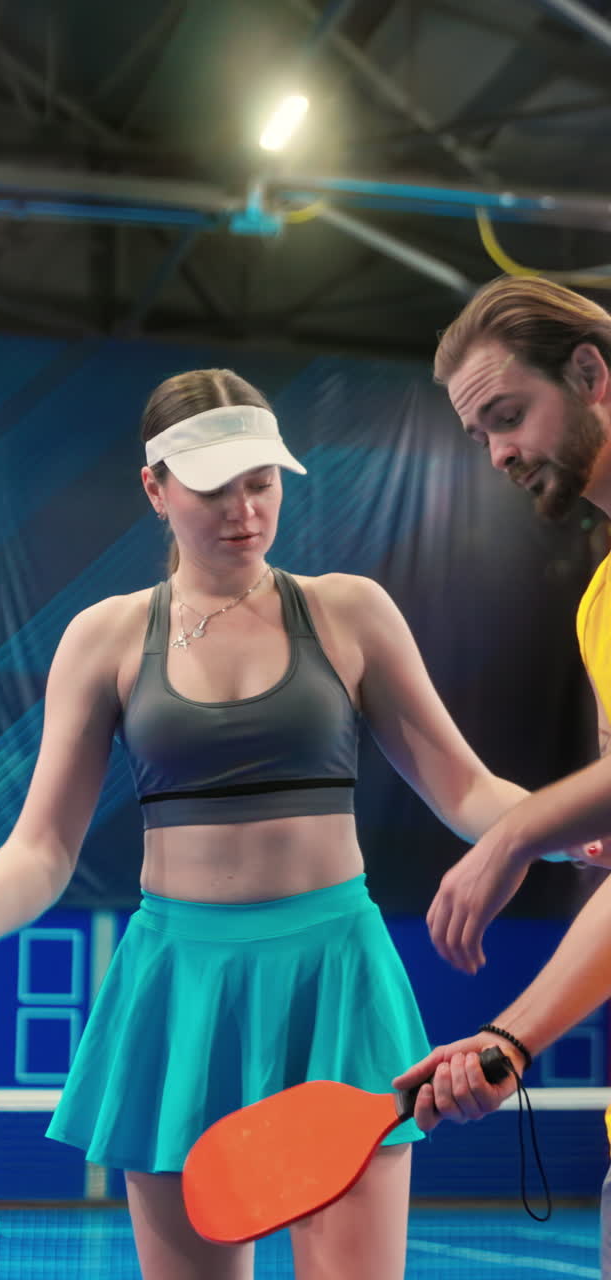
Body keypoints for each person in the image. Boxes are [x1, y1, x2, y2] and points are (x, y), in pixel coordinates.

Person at [0, 366, 570, 1280]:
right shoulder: (102, 637)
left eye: (261, 483)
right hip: (178, 992)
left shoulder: (349, 611)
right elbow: (42, 848)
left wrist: (565, 828)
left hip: (335, 979)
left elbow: (466, 791)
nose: (243, 510)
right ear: (155, 489)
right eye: (213, 488)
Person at [391, 275, 611, 1276]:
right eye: (481, 434)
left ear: (593, 372)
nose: (501, 455)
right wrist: (509, 1041)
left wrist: (518, 828)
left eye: (508, 416)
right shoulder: (599, 605)